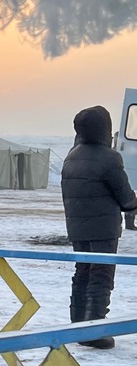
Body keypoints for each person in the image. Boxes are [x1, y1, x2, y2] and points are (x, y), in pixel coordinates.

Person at [61, 105, 137, 349]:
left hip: (77, 228)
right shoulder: (110, 158)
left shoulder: (71, 156)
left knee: (82, 272)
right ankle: (94, 329)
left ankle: (77, 324)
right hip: (103, 228)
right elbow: (126, 199)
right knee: (101, 275)